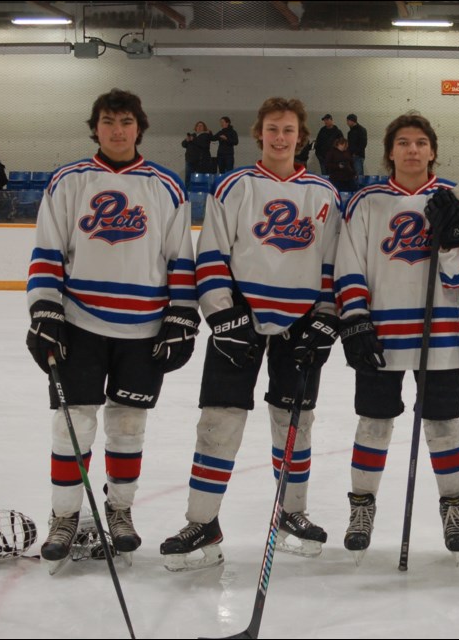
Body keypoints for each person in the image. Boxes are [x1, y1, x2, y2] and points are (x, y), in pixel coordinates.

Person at [159, 97, 341, 571]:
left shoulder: (323, 193)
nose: (280, 137)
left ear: (301, 137)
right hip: (240, 317)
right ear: (259, 133)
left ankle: (292, 514)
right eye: (272, 129)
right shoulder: (233, 186)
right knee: (219, 422)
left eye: (289, 130)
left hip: (299, 322)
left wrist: (325, 319)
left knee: (293, 424)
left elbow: (332, 265)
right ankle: (203, 520)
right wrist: (223, 316)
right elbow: (212, 254)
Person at [26, 88, 197, 569]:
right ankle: (65, 516)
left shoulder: (166, 185)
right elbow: (47, 251)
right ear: (95, 127)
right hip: (80, 325)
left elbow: (179, 259)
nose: (117, 129)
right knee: (71, 426)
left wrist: (181, 317)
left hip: (143, 331)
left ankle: (119, 511)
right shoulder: (68, 180)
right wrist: (45, 311)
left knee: (127, 426)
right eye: (107, 121)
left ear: (138, 127)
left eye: (125, 121)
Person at [334, 112, 459, 563]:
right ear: (390, 151)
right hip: (380, 333)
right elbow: (350, 262)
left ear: (433, 150)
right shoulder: (367, 201)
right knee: (374, 424)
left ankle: (453, 509)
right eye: (403, 142)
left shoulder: (455, 198)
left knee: (442, 426)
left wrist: (454, 238)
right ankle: (361, 509)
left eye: (421, 142)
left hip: (437, 334)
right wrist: (356, 320)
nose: (413, 150)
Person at [347, 114, 368, 178]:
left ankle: (360, 187)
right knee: (353, 174)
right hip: (352, 156)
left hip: (358, 156)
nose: (347, 122)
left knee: (359, 174)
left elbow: (363, 144)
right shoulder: (351, 131)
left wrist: (355, 153)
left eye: (348, 120)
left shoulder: (361, 130)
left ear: (352, 121)